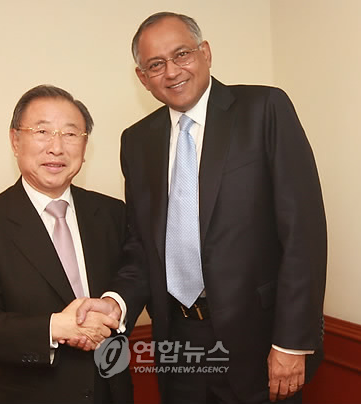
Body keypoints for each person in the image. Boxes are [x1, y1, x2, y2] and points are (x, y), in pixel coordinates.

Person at [77, 11, 327, 404]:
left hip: (261, 339)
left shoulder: (264, 108)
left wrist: (292, 342)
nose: (171, 71)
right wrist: (116, 302)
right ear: (142, 77)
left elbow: (303, 233)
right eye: (155, 64)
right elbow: (143, 246)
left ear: (205, 53)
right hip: (179, 341)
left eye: (182, 54)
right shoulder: (138, 141)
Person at [0, 85, 133, 404]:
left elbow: (135, 278)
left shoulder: (113, 214)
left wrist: (114, 309)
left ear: (85, 146)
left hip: (112, 392)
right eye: (42, 132)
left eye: (70, 134)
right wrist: (55, 327)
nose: (56, 148)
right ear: (15, 141)